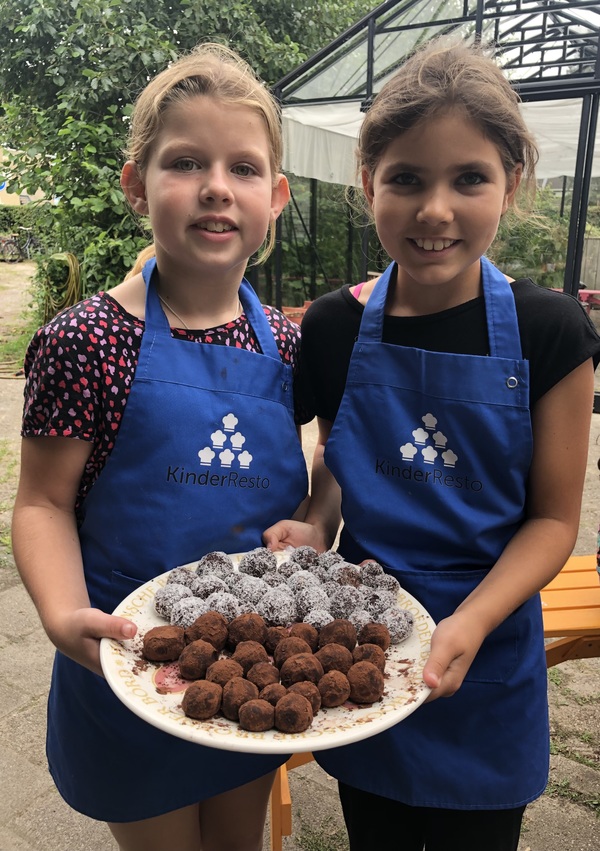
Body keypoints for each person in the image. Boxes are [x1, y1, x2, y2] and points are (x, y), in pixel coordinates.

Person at [264, 38, 600, 851]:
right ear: (369, 182)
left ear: (511, 184)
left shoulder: (550, 330)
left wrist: (474, 621)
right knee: (375, 828)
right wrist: (313, 521)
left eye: (469, 179)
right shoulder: (337, 326)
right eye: (407, 178)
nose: (435, 209)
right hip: (363, 638)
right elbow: (338, 461)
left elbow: (554, 521)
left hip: (486, 647)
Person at [11, 42, 311, 851]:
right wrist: (61, 610)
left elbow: (324, 477)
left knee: (239, 843)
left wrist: (320, 514)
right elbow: (41, 502)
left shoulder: (288, 344)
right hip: (126, 668)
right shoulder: (87, 342)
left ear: (275, 197)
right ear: (137, 183)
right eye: (186, 161)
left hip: (254, 664)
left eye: (244, 168)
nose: (218, 185)